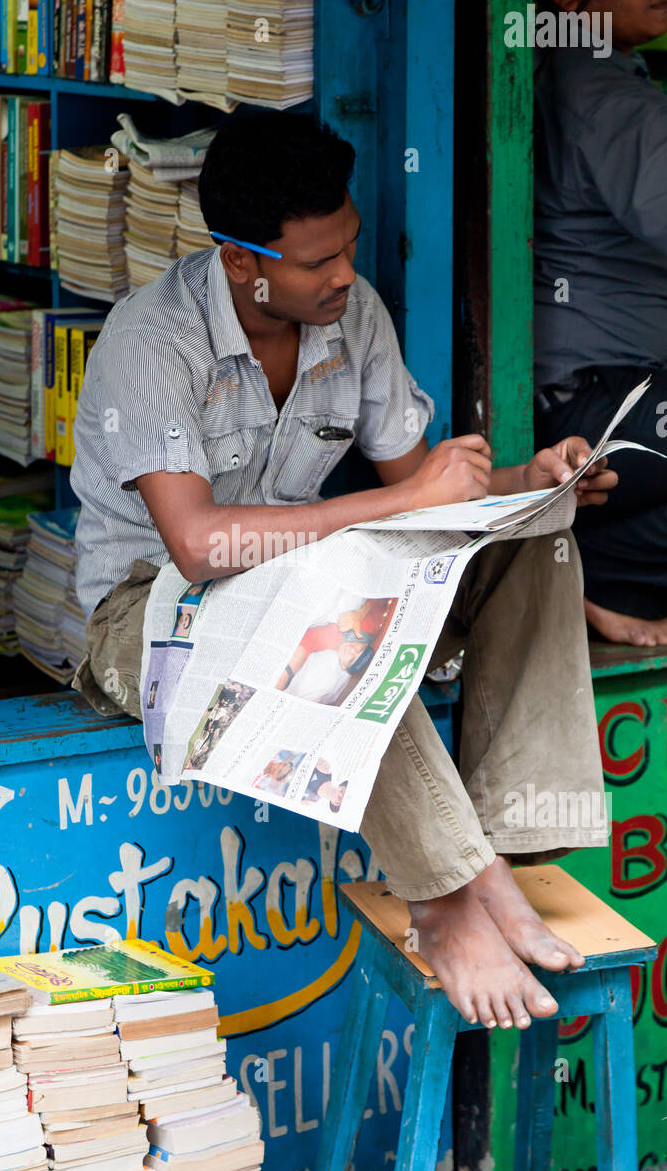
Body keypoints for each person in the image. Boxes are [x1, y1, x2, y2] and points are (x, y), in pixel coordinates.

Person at [70, 110, 617, 1032]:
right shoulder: (152, 341)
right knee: (334, 607)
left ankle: (511, 856)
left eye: (350, 247)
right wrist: (397, 507)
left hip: (309, 580)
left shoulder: (349, 315)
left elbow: (424, 491)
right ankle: (447, 898)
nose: (345, 276)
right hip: (149, 619)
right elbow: (201, 548)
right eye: (317, 262)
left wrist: (533, 481)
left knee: (534, 538)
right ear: (241, 261)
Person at [533, 0, 667, 646]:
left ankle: (604, 564)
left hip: (595, 399)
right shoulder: (608, 101)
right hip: (596, 415)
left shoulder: (572, 74)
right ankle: (600, 567)